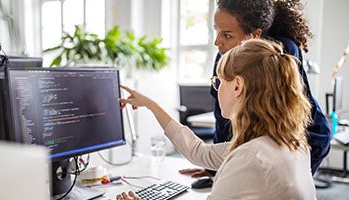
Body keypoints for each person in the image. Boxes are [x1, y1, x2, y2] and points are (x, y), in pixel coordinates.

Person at [116, 38, 316, 200]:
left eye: (219, 81)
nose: (216, 89)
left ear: (237, 86)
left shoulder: (251, 158)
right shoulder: (290, 143)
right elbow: (200, 152)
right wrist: (152, 105)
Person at [180, 0, 330, 179]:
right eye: (217, 31)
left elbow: (280, 121)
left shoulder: (280, 53)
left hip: (307, 139)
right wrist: (215, 169)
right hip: (261, 146)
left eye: (227, 35)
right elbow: (223, 120)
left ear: (255, 35)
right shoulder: (223, 59)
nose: (217, 42)